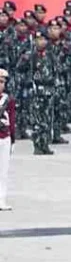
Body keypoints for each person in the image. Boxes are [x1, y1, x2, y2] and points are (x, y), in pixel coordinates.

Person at [0, 68, 14, 210]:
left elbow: (12, 120)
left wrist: (13, 139)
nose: (1, 85)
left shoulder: (8, 100)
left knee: (3, 171)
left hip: (5, 138)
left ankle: (1, 199)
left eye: (3, 82)